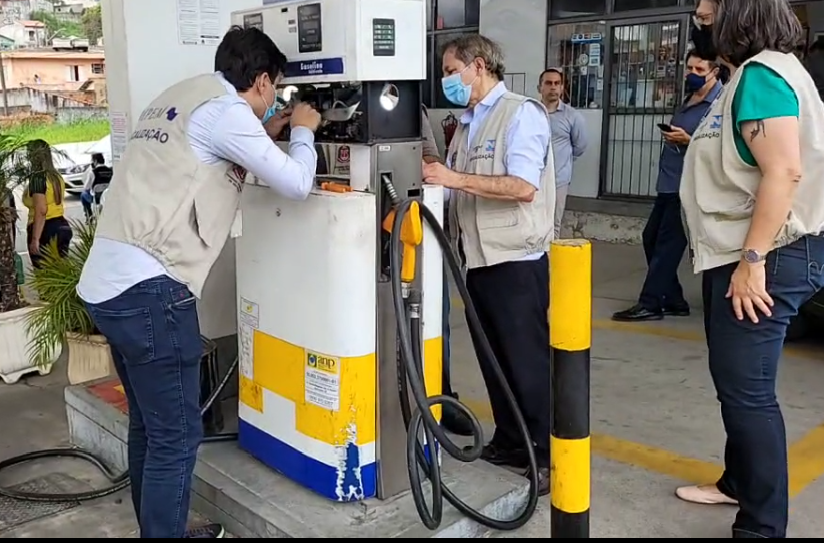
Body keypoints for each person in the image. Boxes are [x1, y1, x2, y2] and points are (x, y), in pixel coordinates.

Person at [76, 26, 322, 539]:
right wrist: (303, 129)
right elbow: (298, 183)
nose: (275, 97)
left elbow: (203, 159)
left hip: (108, 285)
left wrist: (267, 132)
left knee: (150, 426)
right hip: (150, 292)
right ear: (259, 80)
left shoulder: (184, 95)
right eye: (275, 87)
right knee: (176, 438)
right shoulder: (229, 113)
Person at [675, 0, 824, 538]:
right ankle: (737, 482)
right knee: (735, 381)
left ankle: (761, 527)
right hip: (745, 251)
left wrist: (753, 259)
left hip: (767, 254)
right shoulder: (754, 73)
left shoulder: (762, 74)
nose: (700, 11)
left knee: (748, 391)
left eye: (709, 5)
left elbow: (782, 170)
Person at [423, 34, 554, 495]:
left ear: (478, 66)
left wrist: (451, 176)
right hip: (476, 257)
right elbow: (460, 188)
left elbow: (522, 186)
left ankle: (544, 454)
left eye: (449, 69)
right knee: (494, 357)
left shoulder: (520, 113)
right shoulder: (467, 122)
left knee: (526, 360)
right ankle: (512, 440)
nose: (445, 79)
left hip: (515, 258)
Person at [612, 50, 722, 322]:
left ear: (715, 72)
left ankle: (651, 302)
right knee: (651, 238)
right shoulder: (689, 99)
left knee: (667, 245)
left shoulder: (719, 103)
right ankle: (673, 299)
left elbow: (721, 146)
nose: (693, 75)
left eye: (700, 70)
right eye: (690, 69)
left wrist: (689, 141)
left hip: (690, 186)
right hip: (670, 181)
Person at [421, 105, 473, 437]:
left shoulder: (408, 105)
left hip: (416, 225)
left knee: (433, 318)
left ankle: (442, 397)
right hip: (346, 235)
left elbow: (431, 160)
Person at [537, 68, 588, 237]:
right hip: (532, 179)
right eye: (548, 83)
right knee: (531, 222)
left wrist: (562, 161)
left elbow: (579, 146)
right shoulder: (531, 112)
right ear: (540, 88)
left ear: (561, 87)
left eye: (557, 83)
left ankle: (550, 262)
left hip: (558, 181)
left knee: (553, 224)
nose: (553, 87)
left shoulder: (572, 116)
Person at [23, 140, 72, 269]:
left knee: (44, 275)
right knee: (59, 274)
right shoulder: (56, 176)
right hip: (61, 225)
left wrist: (35, 239)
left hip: (45, 230)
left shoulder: (38, 178)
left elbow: (41, 210)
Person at [80, 153, 112, 220]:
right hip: (108, 197)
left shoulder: (93, 172)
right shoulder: (110, 171)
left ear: (95, 161)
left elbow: (86, 187)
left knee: (83, 194)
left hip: (96, 198)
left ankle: (88, 215)